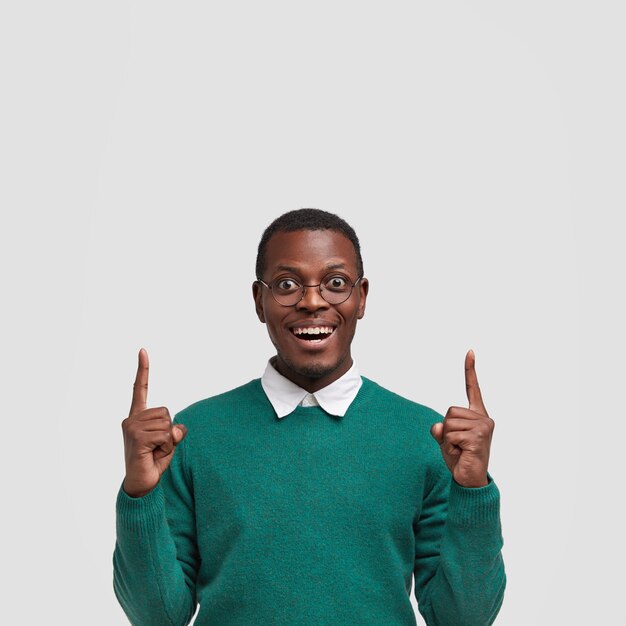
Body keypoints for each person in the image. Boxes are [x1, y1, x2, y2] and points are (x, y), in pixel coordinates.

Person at [113, 208, 506, 625]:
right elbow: (158, 617)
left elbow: (463, 618)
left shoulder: (428, 438)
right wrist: (140, 496)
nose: (313, 301)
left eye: (336, 284)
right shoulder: (190, 436)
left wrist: (473, 490)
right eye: (287, 285)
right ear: (259, 301)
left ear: (362, 297)